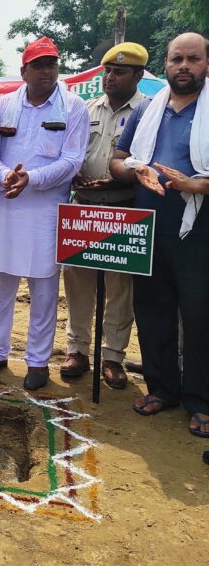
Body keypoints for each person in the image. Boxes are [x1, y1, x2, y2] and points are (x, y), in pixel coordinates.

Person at [0, 37, 88, 390]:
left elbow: (72, 160)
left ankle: (37, 362)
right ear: (24, 70)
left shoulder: (73, 106)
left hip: (46, 213)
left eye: (51, 64)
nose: (46, 71)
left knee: (44, 291)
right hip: (5, 208)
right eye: (38, 65)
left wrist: (31, 178)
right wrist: (5, 175)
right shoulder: (3, 104)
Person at [109, 32, 209, 438]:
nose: (184, 66)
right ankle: (162, 388)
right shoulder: (149, 111)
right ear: (165, 66)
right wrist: (138, 170)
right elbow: (116, 160)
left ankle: (201, 401)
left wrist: (199, 186)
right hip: (148, 226)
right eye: (176, 60)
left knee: (200, 317)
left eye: (193, 59)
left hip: (198, 231)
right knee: (152, 311)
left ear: (206, 65)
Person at [61, 42, 148, 389]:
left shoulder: (149, 111)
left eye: (119, 72)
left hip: (124, 207)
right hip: (83, 206)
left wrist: (118, 177)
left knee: (119, 285)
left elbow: (147, 160)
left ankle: (112, 356)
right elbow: (69, 149)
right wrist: (73, 173)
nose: (110, 77)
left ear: (138, 75)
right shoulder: (85, 108)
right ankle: (77, 349)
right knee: (77, 281)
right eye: (107, 71)